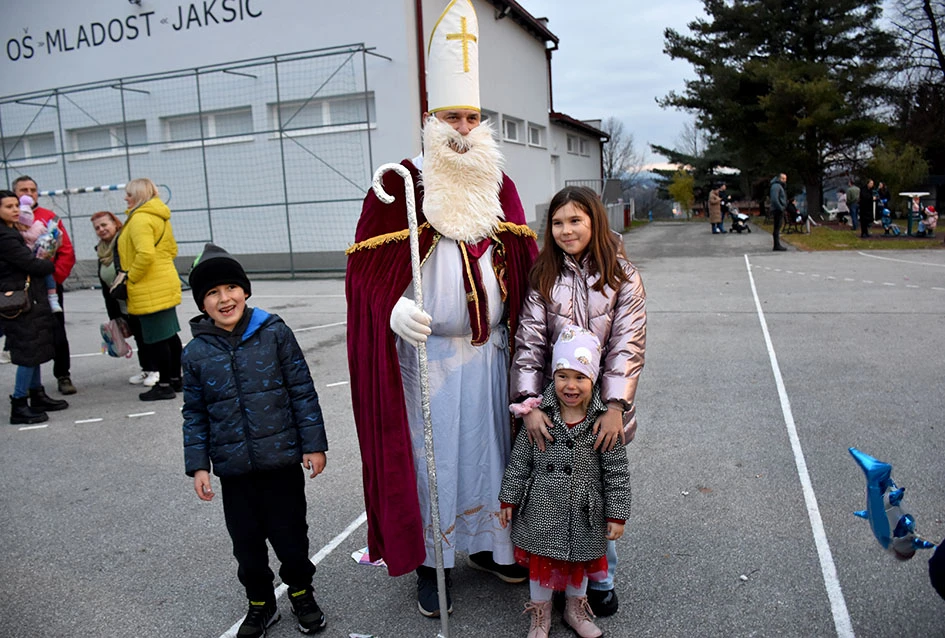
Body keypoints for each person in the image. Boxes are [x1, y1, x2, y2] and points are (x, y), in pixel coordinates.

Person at [345, 0, 539, 618]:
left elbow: (524, 268)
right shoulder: (401, 183)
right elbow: (365, 278)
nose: (462, 126)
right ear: (431, 118)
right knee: (433, 463)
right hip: (425, 360)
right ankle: (432, 563)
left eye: (471, 116)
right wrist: (391, 311)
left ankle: (490, 548)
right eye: (452, 115)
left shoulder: (500, 184)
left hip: (490, 355)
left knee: (493, 456)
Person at [510, 185, 645, 618]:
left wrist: (614, 407)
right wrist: (530, 405)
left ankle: (599, 579)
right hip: (555, 403)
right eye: (558, 222)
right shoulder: (542, 276)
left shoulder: (623, 276)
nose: (567, 230)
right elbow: (529, 344)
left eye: (576, 220)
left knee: (599, 490)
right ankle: (550, 580)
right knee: (551, 493)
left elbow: (627, 346)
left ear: (595, 222)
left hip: (602, 410)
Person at [182, 243, 329, 638]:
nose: (223, 298)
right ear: (202, 303)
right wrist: (198, 464)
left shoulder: (274, 332)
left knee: (291, 537)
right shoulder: (195, 353)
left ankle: (301, 593)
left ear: (245, 291)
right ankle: (261, 604)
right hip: (234, 471)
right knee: (246, 546)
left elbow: (301, 390)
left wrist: (313, 444)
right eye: (212, 293)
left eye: (230, 287)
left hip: (281, 461)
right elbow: (194, 412)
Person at [500, 327, 631, 638]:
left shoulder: (603, 423)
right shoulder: (539, 416)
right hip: (541, 509)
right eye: (562, 376)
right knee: (540, 566)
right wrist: (508, 498)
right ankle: (539, 616)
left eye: (580, 377)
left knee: (580, 564)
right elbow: (519, 462)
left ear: (594, 379)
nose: (570, 386)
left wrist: (617, 514)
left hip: (585, 513)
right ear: (552, 377)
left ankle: (575, 610)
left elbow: (617, 473)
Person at [0, 190, 69, 424]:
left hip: (29, 298)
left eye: (16, 205)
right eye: (8, 206)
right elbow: (28, 263)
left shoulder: (12, 231)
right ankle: (19, 403)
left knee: (35, 347)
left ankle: (36, 394)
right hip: (19, 301)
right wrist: (47, 262)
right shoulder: (5, 237)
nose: (15, 210)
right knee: (27, 351)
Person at [117, 178, 183, 401]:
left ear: (138, 195)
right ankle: (175, 379)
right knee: (170, 335)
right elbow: (172, 250)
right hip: (165, 280)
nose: (125, 198)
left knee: (156, 338)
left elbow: (145, 254)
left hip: (148, 285)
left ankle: (163, 385)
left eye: (129, 194)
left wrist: (131, 277)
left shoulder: (139, 220)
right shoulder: (160, 217)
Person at [12, 176, 77, 395]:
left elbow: (66, 251)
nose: (28, 193)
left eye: (32, 189)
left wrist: (53, 280)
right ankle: (32, 384)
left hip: (47, 286)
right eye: (23, 190)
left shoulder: (50, 218)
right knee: (29, 336)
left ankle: (63, 375)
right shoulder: (11, 219)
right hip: (21, 288)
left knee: (57, 331)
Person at [91, 211, 157, 384]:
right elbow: (105, 284)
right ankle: (147, 368)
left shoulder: (124, 243)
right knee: (138, 337)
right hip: (121, 304)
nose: (101, 229)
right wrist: (113, 314)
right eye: (97, 227)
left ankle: (157, 370)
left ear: (115, 223)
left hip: (137, 298)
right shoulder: (101, 251)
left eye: (104, 225)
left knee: (149, 335)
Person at [17, 195, 62, 313]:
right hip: (29, 265)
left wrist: (53, 238)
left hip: (41, 260)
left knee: (49, 278)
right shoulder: (17, 233)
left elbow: (54, 241)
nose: (23, 227)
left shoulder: (38, 228)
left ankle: (53, 298)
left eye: (26, 225)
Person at [769, 173, 787, 251]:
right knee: (777, 227)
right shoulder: (776, 186)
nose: (784, 180)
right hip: (777, 210)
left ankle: (777, 244)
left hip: (779, 209)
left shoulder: (779, 186)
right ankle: (776, 245)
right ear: (779, 178)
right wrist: (780, 207)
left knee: (778, 227)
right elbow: (774, 199)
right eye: (783, 179)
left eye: (785, 179)